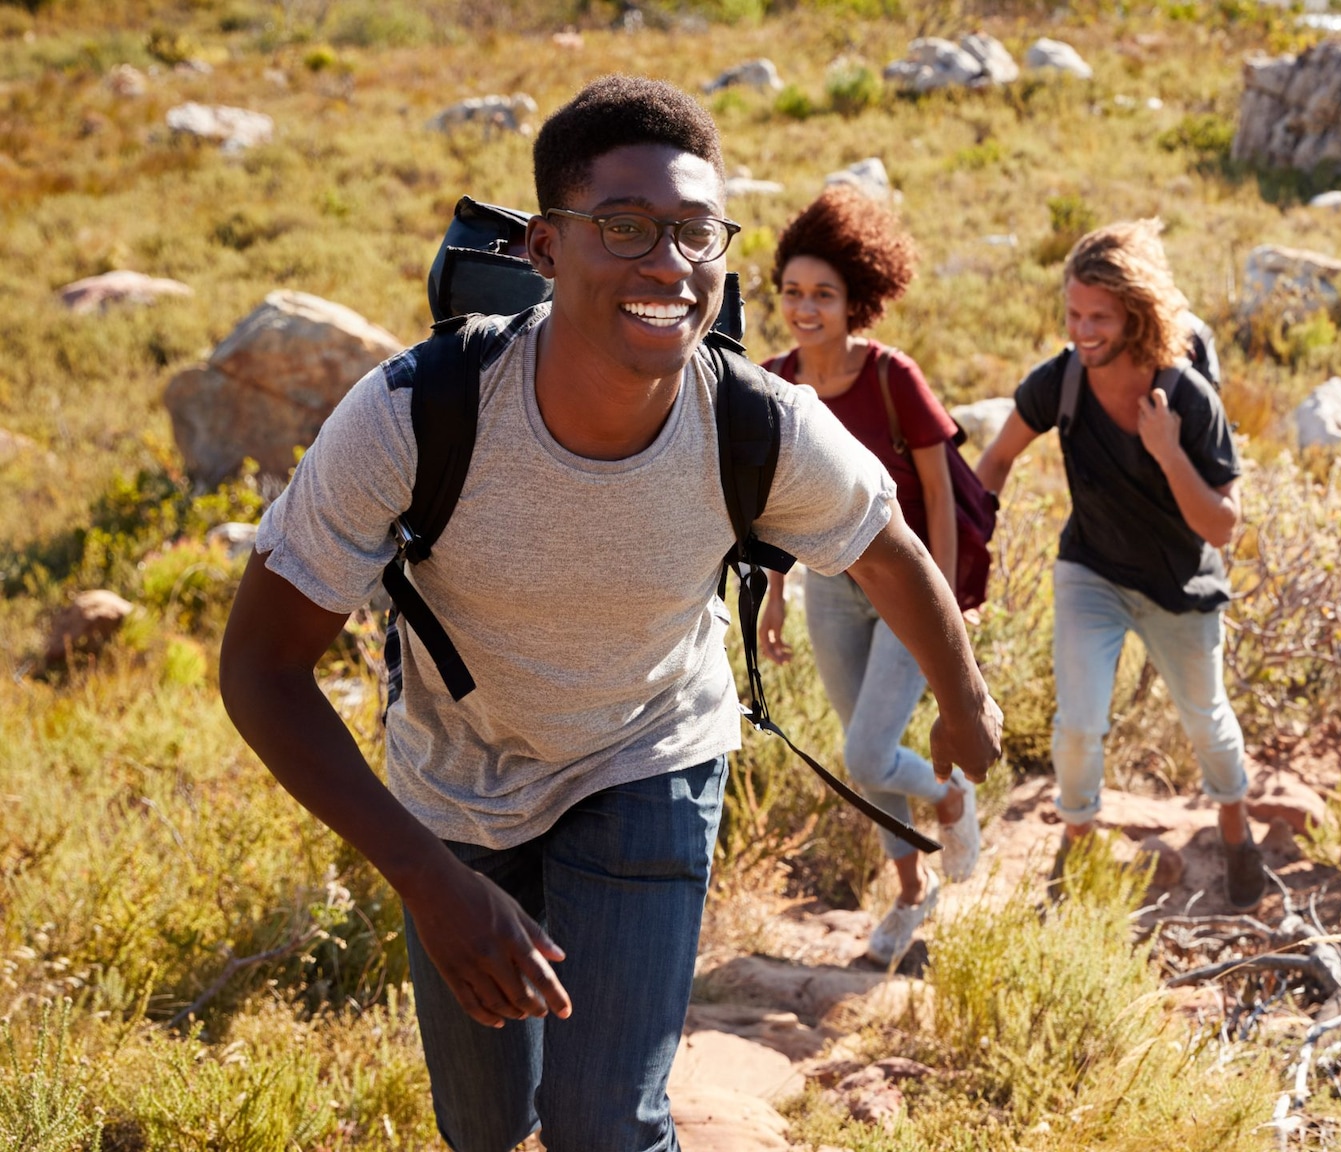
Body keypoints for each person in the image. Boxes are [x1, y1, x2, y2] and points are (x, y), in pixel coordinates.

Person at [216, 77, 1002, 1152]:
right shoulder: (415, 413)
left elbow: (884, 547)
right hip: (458, 783)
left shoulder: (755, 420)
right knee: (486, 1129)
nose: (668, 265)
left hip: (648, 753)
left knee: (602, 1127)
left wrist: (961, 706)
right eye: (625, 228)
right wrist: (428, 881)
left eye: (694, 233)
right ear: (544, 248)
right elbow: (259, 667)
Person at [975, 219, 1266, 909]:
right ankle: (1075, 847)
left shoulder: (1189, 397)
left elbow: (1222, 529)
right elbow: (997, 459)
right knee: (1078, 724)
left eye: (1099, 317)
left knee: (1207, 720)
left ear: (1137, 315)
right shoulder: (1064, 381)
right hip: (1093, 572)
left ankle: (1235, 826)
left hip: (1180, 587)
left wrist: (1167, 452)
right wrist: (965, 546)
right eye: (1074, 314)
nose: (1082, 330)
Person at [756, 186, 980, 965]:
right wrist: (774, 593)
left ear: (858, 300)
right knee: (866, 748)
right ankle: (912, 894)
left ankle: (951, 798)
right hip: (827, 588)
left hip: (906, 589)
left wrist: (944, 603)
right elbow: (770, 504)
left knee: (867, 756)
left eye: (824, 294)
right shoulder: (773, 383)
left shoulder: (893, 378)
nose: (805, 308)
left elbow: (943, 505)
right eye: (792, 293)